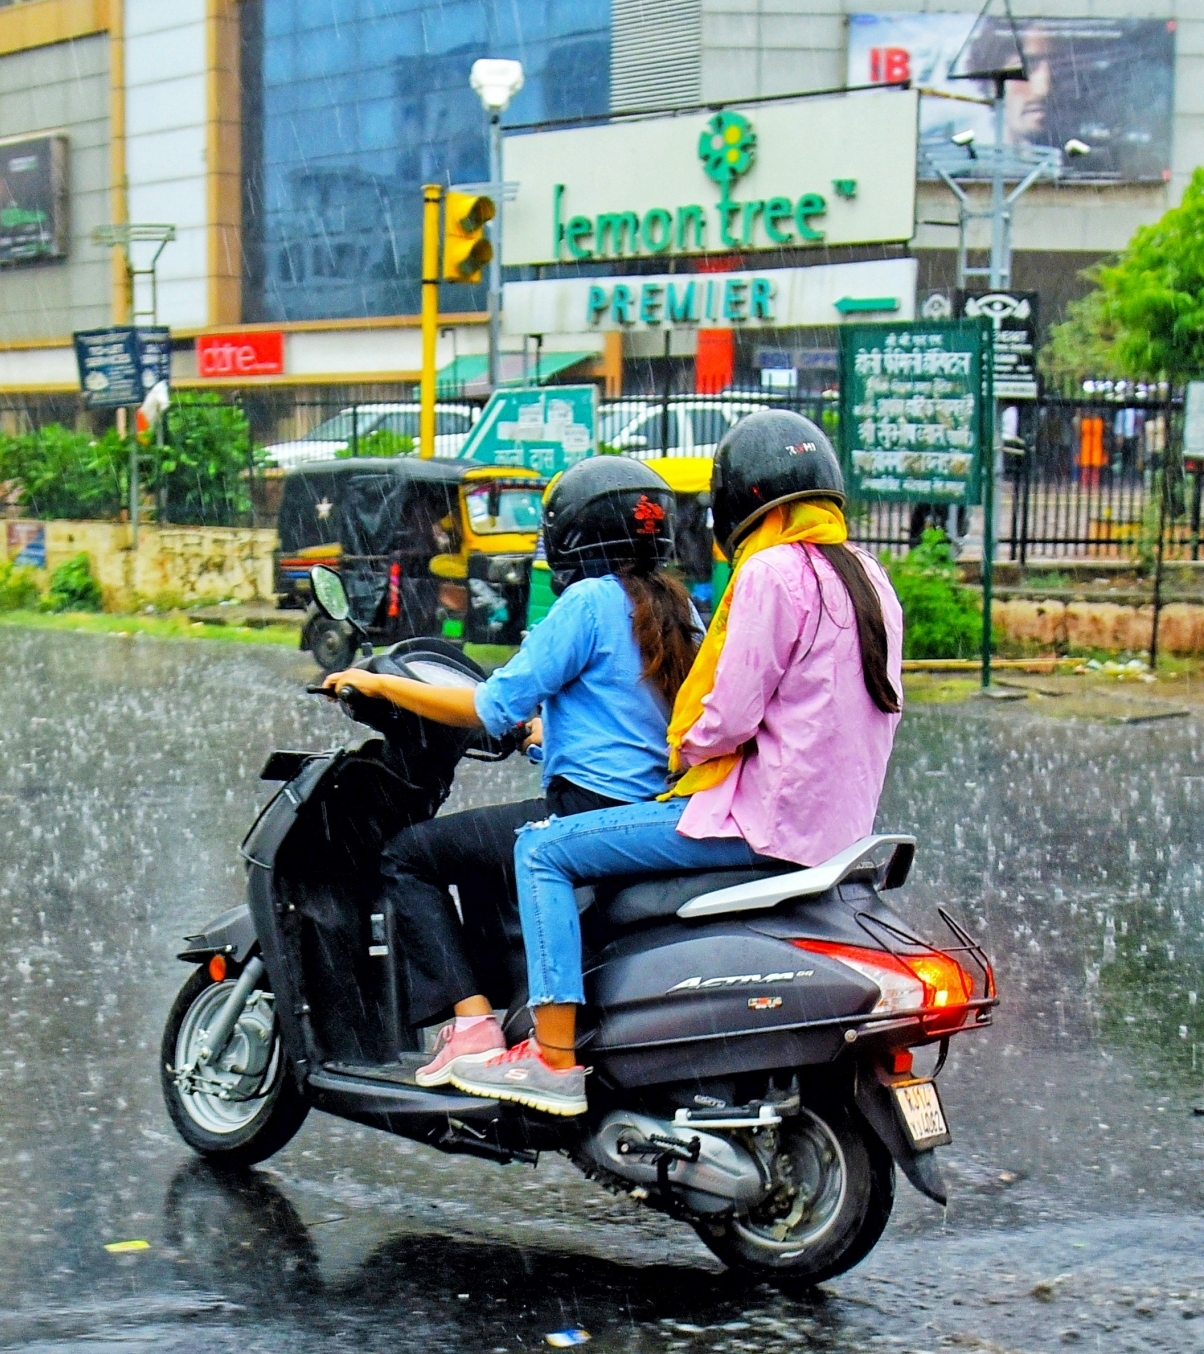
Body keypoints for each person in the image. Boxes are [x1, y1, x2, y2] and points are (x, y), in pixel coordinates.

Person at [447, 411, 904, 1118]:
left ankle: (553, 1056)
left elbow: (724, 718)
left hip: (758, 822)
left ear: (740, 506)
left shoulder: (772, 572)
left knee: (540, 851)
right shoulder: (868, 575)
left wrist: (680, 750)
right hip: (836, 828)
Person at [321, 456, 701, 1087]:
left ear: (572, 535)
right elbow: (629, 715)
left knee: (409, 855)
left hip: (585, 814)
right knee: (482, 850)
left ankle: (470, 1027)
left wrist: (380, 684)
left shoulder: (586, 601)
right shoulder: (678, 609)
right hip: (645, 815)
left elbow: (491, 705)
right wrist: (545, 736)